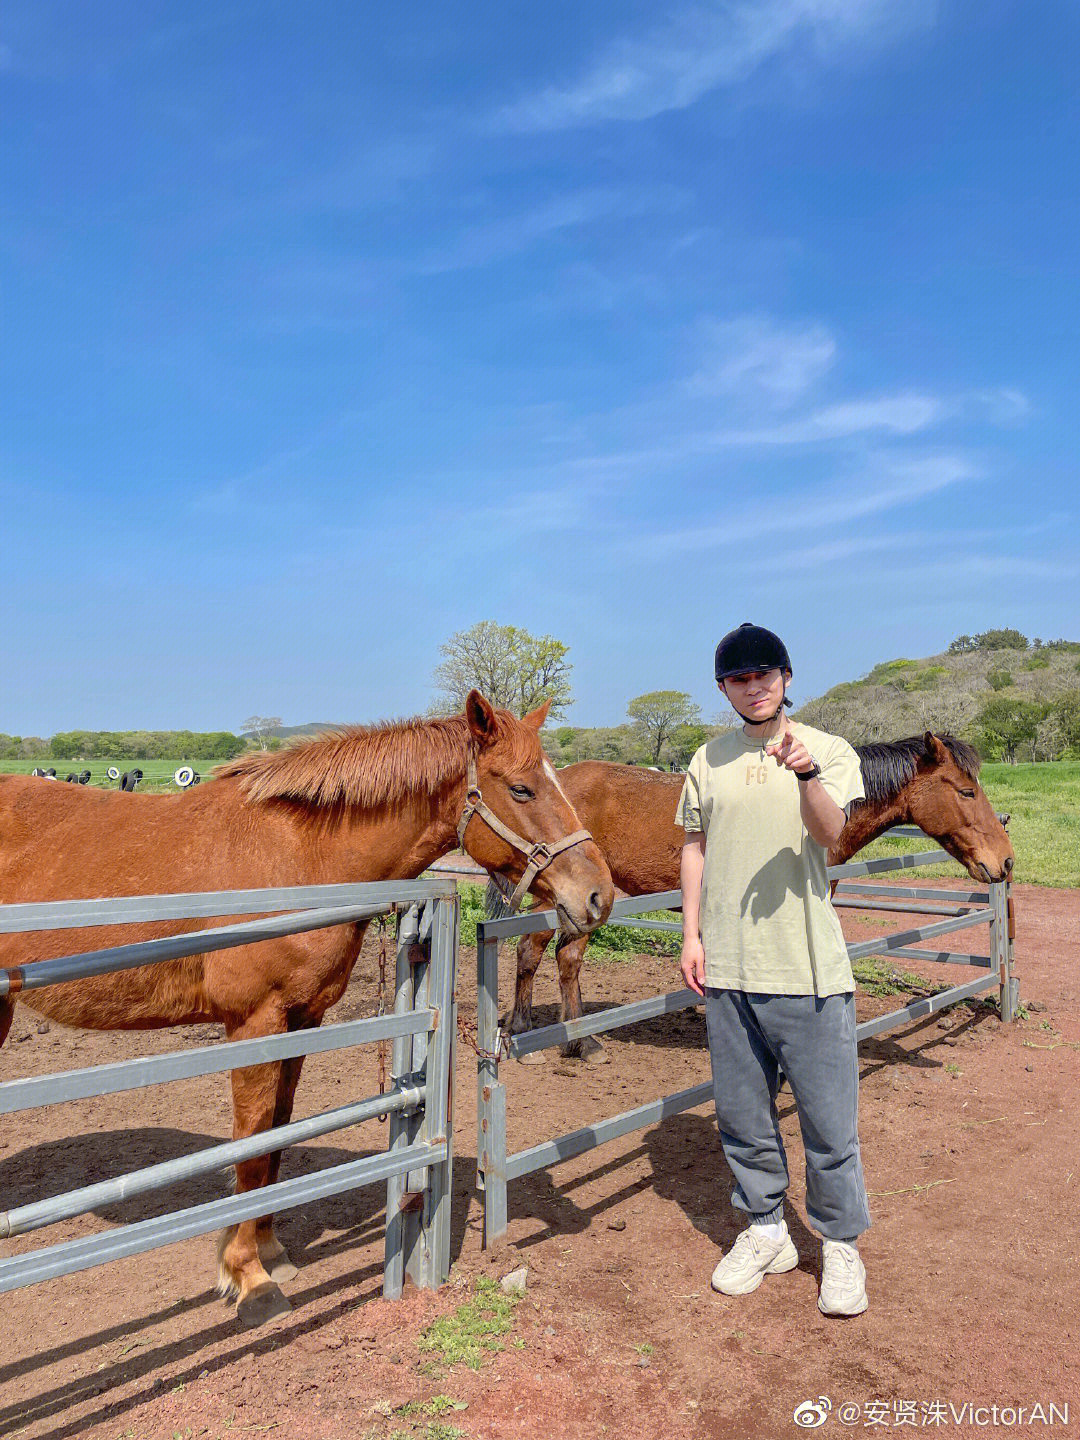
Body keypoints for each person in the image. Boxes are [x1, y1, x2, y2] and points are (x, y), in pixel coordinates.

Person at [676, 622, 871, 1317]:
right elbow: (694, 848)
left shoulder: (828, 751)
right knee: (743, 1117)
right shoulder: (708, 759)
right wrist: (691, 934)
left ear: (787, 678)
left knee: (828, 1122)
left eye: (766, 674)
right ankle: (766, 1231)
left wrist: (806, 775)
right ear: (724, 688)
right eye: (739, 678)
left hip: (809, 970)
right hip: (727, 969)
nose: (754, 686)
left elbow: (831, 833)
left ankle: (841, 1245)